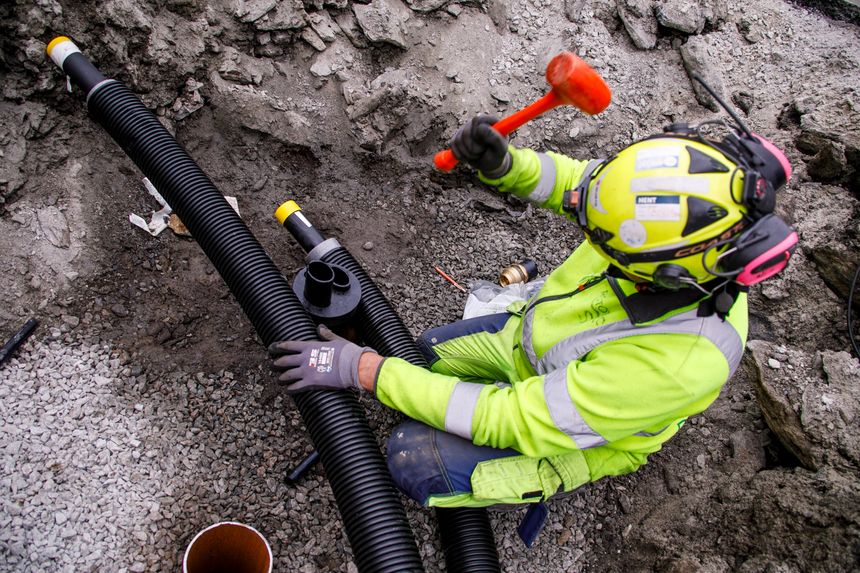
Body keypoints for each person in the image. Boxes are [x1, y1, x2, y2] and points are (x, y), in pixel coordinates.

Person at [269, 111, 796, 544]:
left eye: (605, 244)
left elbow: (510, 416)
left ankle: (535, 482)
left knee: (411, 456)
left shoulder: (678, 363)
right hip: (533, 344)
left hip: (571, 431)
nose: (589, 233)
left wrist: (363, 369)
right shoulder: (654, 213)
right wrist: (506, 165)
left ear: (668, 273)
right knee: (423, 352)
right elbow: (578, 187)